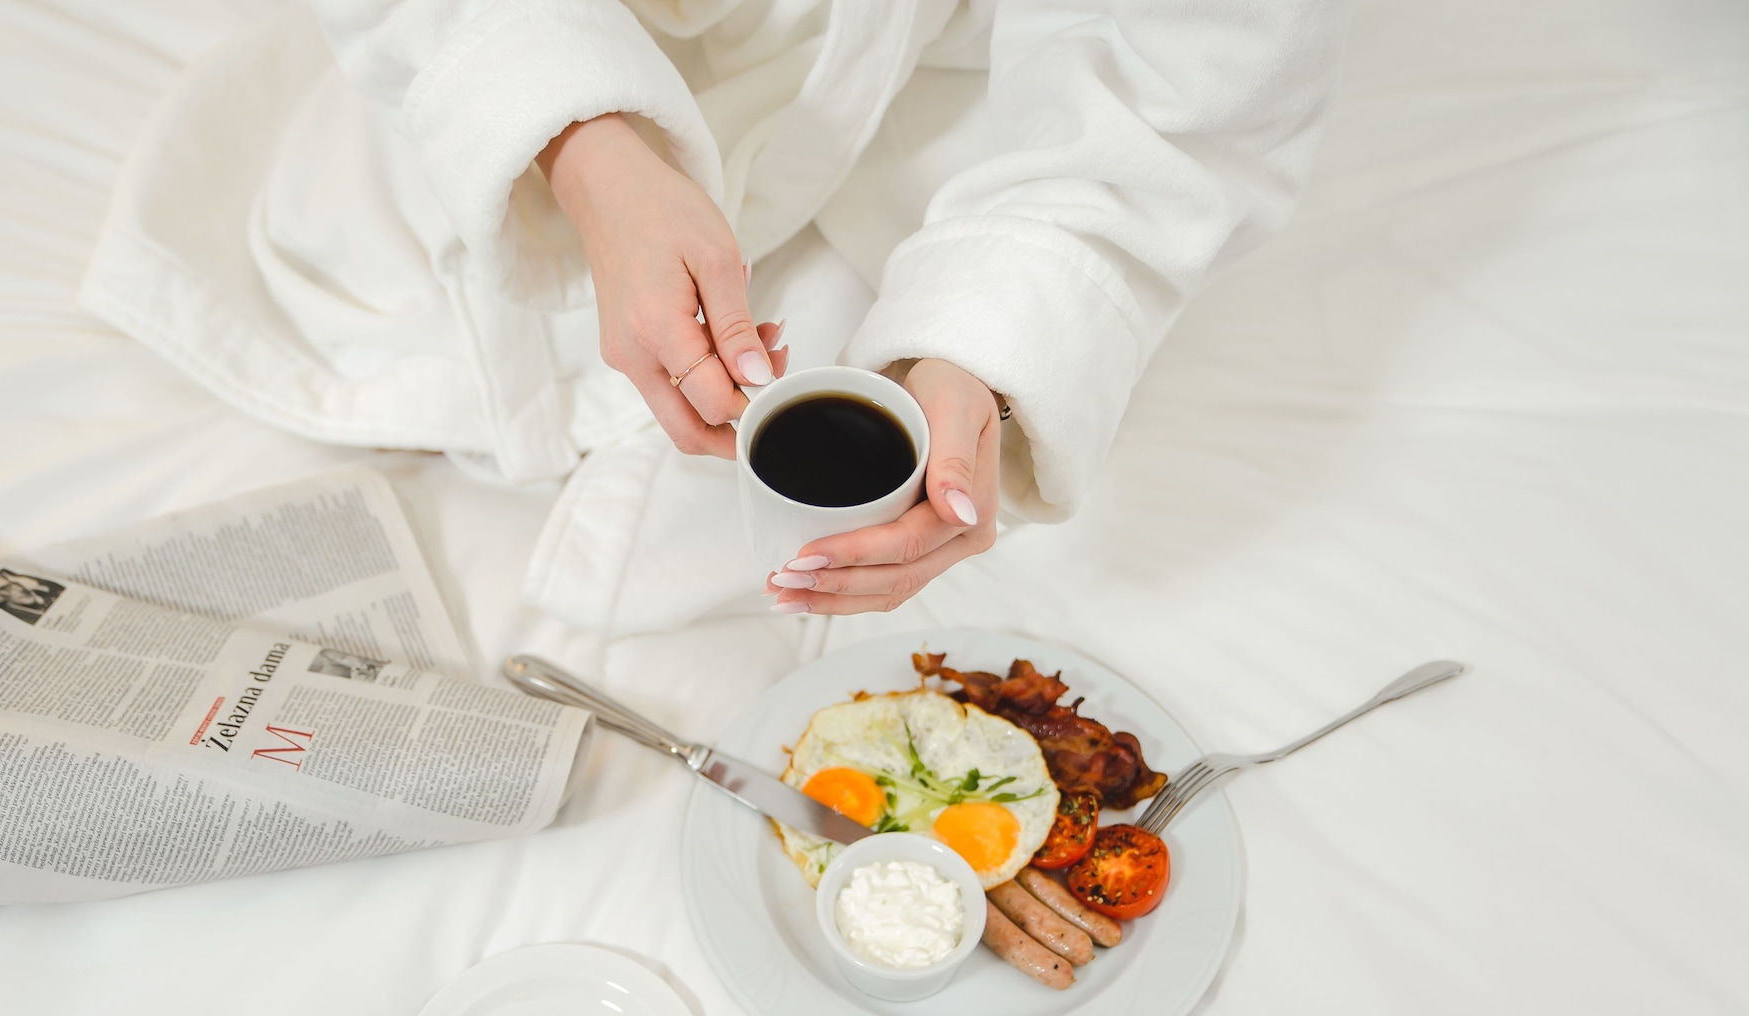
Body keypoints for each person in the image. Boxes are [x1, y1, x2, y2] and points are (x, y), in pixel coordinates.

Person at [85, 0, 1346, 620]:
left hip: (947, 68)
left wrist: (992, 336)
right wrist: (582, 147)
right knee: (372, 291)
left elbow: (1191, 70)